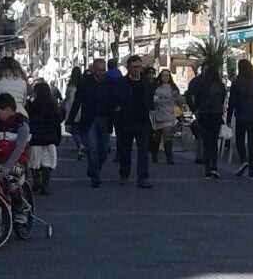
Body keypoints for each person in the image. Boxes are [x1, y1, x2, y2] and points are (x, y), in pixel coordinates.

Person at [66, 58, 115, 187]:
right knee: (92, 148)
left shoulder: (109, 83)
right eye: (99, 70)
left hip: (104, 118)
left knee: (103, 149)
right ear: (93, 70)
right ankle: (95, 177)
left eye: (103, 70)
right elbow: (77, 102)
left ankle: (94, 169)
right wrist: (69, 120)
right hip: (90, 119)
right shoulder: (85, 82)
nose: (101, 72)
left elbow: (114, 101)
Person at [0, 92, 31, 224]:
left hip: (18, 163)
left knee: (12, 181)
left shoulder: (22, 125)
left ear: (7, 109)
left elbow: (19, 149)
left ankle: (19, 211)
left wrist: (8, 165)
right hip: (1, 163)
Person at [115, 55, 154, 189]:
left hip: (142, 121)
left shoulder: (145, 83)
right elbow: (116, 100)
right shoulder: (121, 83)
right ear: (128, 68)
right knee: (126, 150)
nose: (137, 70)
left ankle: (143, 177)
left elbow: (150, 100)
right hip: (126, 121)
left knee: (143, 150)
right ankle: (124, 174)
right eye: (134, 67)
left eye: (139, 66)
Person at [227, 59, 253, 178]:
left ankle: (244, 160)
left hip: (241, 114)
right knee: (252, 142)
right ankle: (252, 171)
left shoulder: (237, 83)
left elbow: (232, 102)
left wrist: (229, 118)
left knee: (239, 140)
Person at [27, 81, 63, 196]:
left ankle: (36, 179)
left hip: (36, 137)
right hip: (49, 137)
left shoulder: (32, 106)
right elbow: (58, 122)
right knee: (46, 163)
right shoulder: (53, 106)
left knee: (34, 162)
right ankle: (45, 184)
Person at [193, 63, 227, 179]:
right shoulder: (220, 85)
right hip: (216, 114)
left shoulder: (202, 85)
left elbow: (196, 98)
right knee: (214, 141)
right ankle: (214, 165)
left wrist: (197, 109)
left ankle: (207, 169)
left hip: (204, 114)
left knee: (206, 141)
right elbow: (223, 98)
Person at [149, 69, 181, 165]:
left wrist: (178, 113)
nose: (165, 77)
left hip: (169, 114)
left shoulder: (173, 88)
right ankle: (155, 155)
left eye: (167, 75)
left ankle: (169, 157)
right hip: (157, 114)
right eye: (163, 75)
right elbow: (154, 100)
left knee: (167, 134)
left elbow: (177, 101)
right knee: (157, 136)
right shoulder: (156, 87)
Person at [62, 66, 85, 160]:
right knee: (79, 129)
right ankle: (81, 145)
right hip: (82, 109)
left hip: (72, 109)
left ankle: (80, 144)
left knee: (72, 129)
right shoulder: (83, 83)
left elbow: (66, 95)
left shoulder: (70, 85)